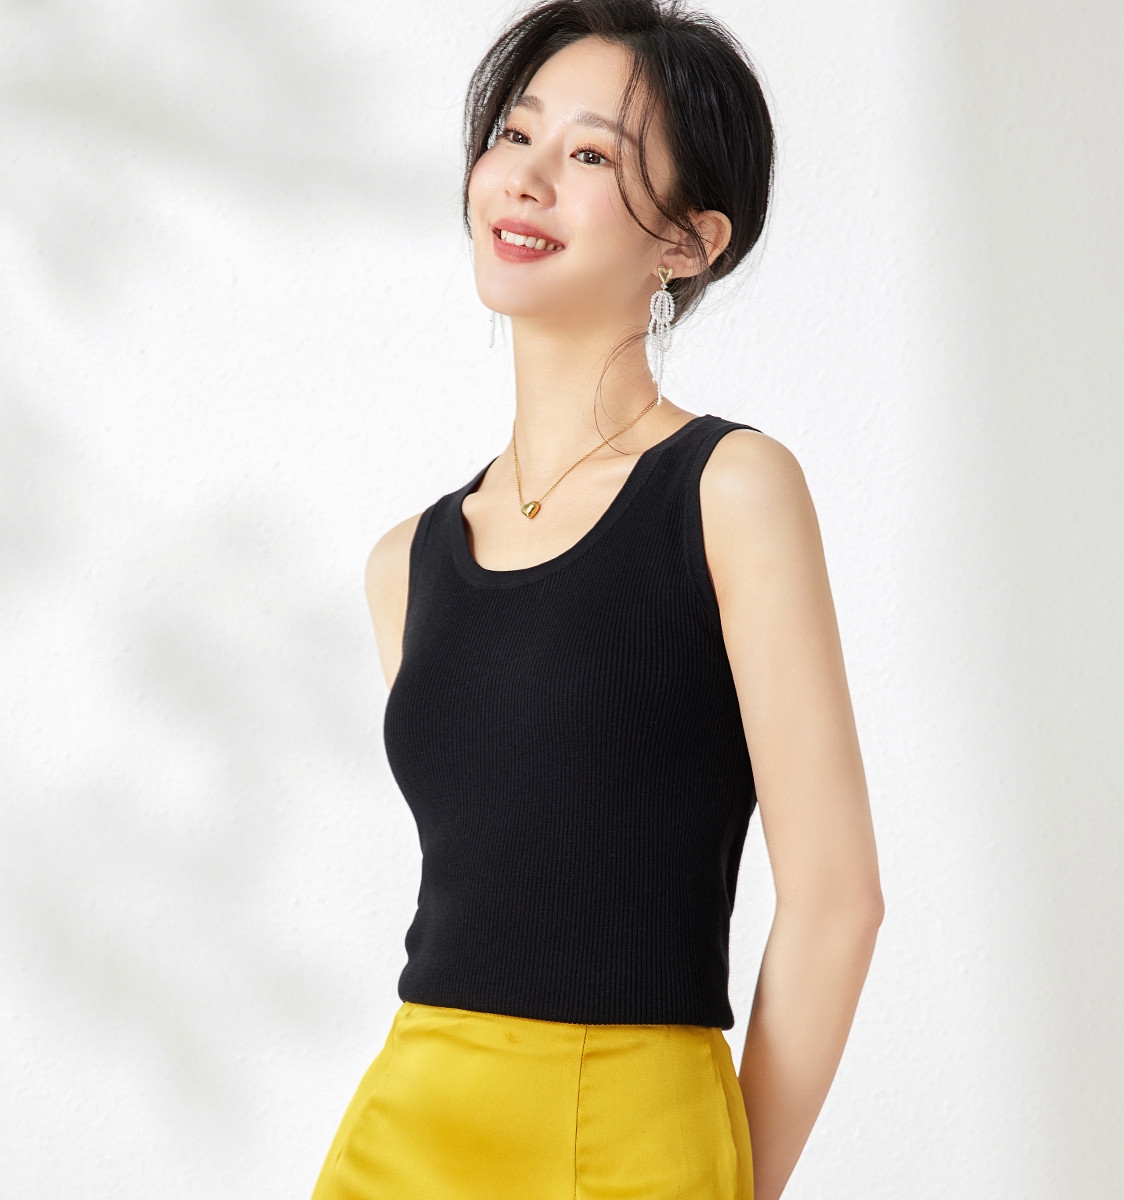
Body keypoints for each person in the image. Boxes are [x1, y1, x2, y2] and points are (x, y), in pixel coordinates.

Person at [310, 2, 884, 1197]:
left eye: (589, 155)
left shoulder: (730, 490)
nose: (525, 179)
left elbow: (837, 902)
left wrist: (730, 1181)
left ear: (689, 240)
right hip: (405, 1126)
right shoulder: (405, 562)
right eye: (514, 137)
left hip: (630, 1131)